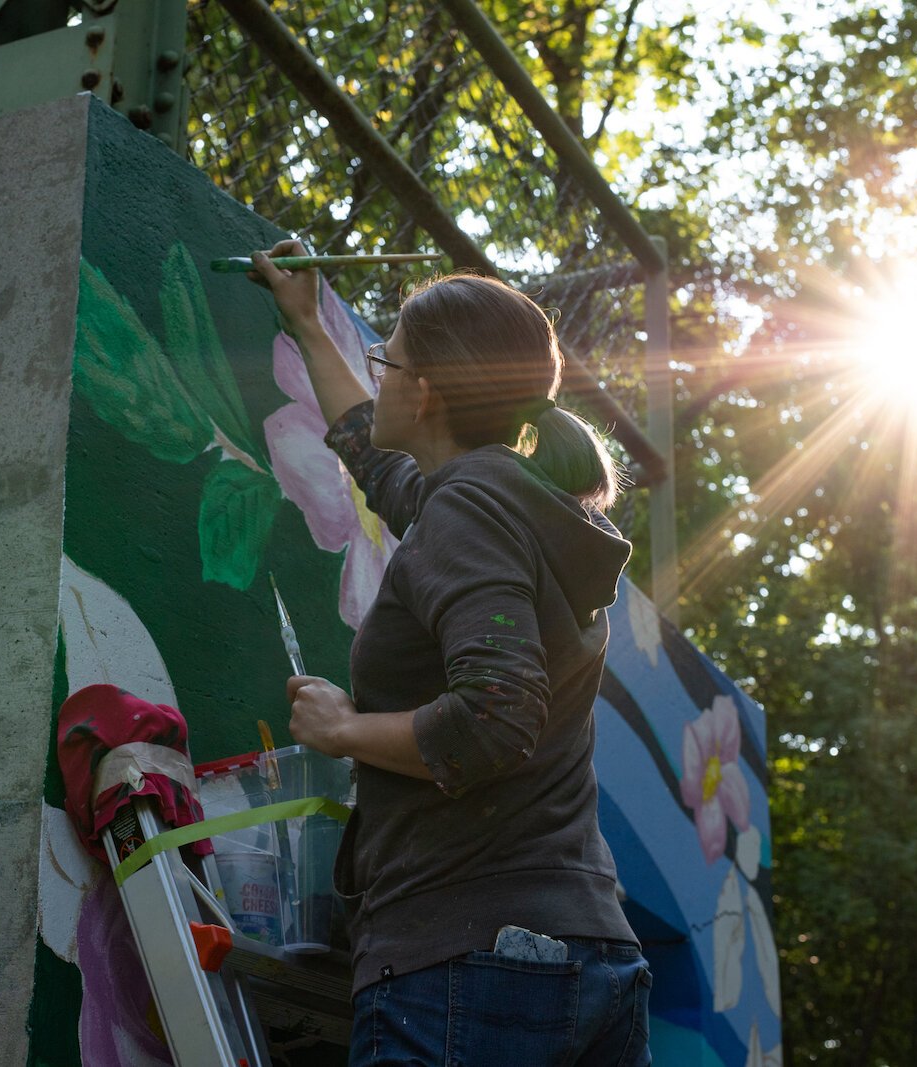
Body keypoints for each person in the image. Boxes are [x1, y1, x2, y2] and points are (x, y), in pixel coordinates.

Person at [248, 239, 652, 1067]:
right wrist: (307, 324)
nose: (380, 373)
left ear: (424, 392)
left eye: (385, 361)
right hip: (582, 951)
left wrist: (343, 729)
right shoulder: (503, 502)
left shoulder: (470, 508)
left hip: (474, 959)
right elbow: (376, 461)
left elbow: (496, 716)